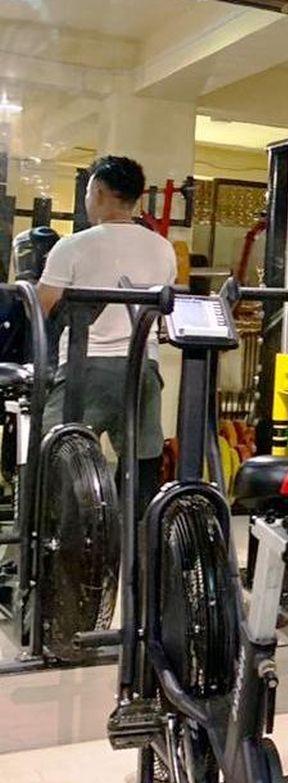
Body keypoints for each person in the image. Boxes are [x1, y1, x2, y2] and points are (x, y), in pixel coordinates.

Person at [36, 155, 177, 517]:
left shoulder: (73, 245)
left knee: (53, 456)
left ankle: (53, 555)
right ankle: (132, 551)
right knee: (140, 466)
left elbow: (42, 306)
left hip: (87, 370)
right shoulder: (162, 247)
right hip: (142, 370)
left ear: (97, 192)